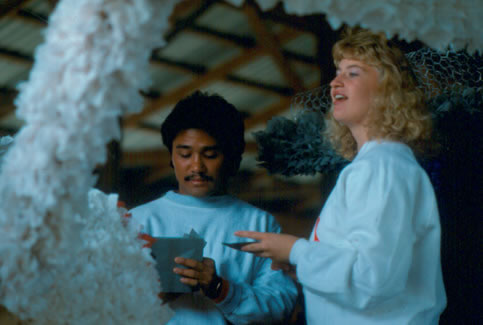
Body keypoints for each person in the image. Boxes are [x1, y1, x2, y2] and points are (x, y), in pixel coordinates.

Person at [236, 28, 447, 324]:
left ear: (387, 90)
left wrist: (295, 250)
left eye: (353, 73)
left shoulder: (382, 168)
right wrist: (308, 271)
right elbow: (367, 271)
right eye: (337, 72)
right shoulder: (376, 164)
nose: (335, 81)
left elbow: (372, 281)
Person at [129, 91, 297, 324]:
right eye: (185, 154)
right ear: (171, 157)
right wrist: (153, 295)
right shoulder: (136, 221)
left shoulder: (260, 225)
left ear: (232, 159)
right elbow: (102, 301)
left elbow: (281, 306)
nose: (196, 166)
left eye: (210, 154)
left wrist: (221, 289)